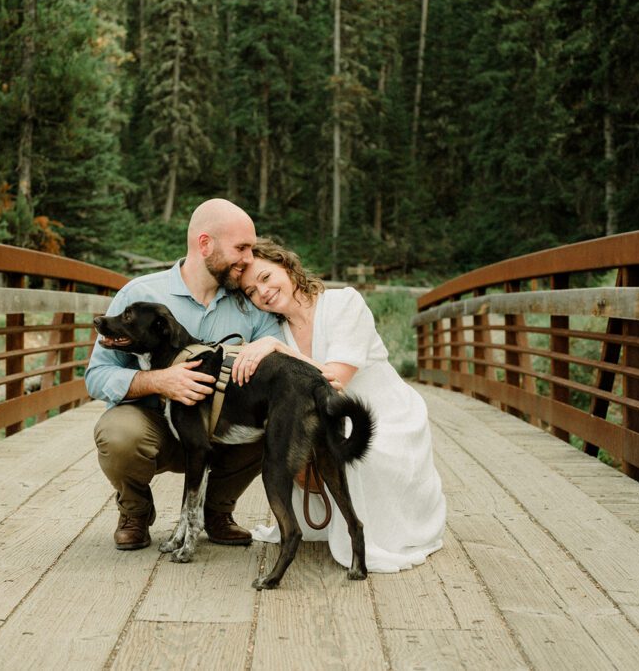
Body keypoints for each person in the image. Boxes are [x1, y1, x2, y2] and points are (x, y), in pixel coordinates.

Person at [231, 239, 446, 573]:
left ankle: (378, 531)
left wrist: (275, 348)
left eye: (265, 277)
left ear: (286, 267)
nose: (263, 292)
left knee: (362, 456)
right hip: (331, 417)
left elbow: (334, 380)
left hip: (381, 414)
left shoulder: (345, 302)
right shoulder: (276, 329)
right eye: (251, 292)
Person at [84, 199, 284, 551]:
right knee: (117, 434)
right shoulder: (140, 295)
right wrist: (158, 381)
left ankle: (216, 512)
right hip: (155, 426)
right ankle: (135, 511)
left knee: (277, 418)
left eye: (251, 248)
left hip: (221, 430)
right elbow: (97, 375)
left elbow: (281, 352)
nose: (250, 259)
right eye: (242, 248)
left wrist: (267, 343)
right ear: (205, 244)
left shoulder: (248, 300)